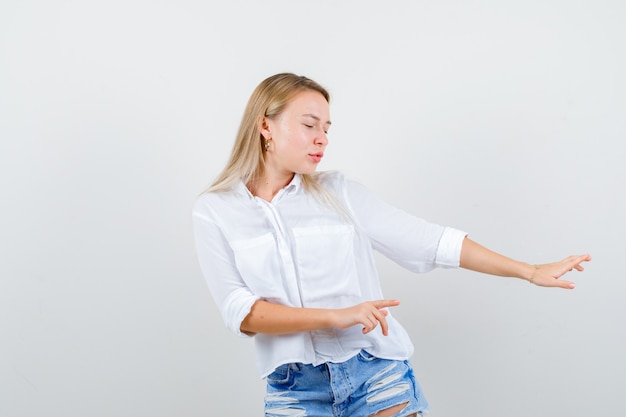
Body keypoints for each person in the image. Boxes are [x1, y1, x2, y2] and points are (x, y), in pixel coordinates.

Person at [192, 73, 591, 417]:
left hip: (375, 374)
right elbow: (242, 314)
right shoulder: (215, 211)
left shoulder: (339, 193)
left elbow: (433, 243)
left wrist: (530, 270)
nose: (322, 139)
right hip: (294, 389)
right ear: (266, 126)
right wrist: (336, 316)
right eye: (310, 125)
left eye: (327, 128)